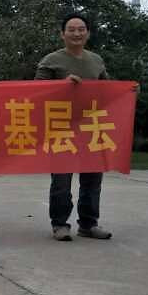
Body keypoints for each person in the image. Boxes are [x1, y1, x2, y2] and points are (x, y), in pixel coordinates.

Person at [35, 13, 112, 241]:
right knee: (61, 181)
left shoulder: (96, 60)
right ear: (62, 34)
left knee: (93, 180)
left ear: (88, 33)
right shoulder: (51, 60)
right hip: (62, 128)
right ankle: (60, 224)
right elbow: (35, 91)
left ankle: (89, 224)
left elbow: (108, 90)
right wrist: (62, 85)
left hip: (91, 127)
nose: (76, 33)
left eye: (81, 29)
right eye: (71, 29)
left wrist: (128, 90)